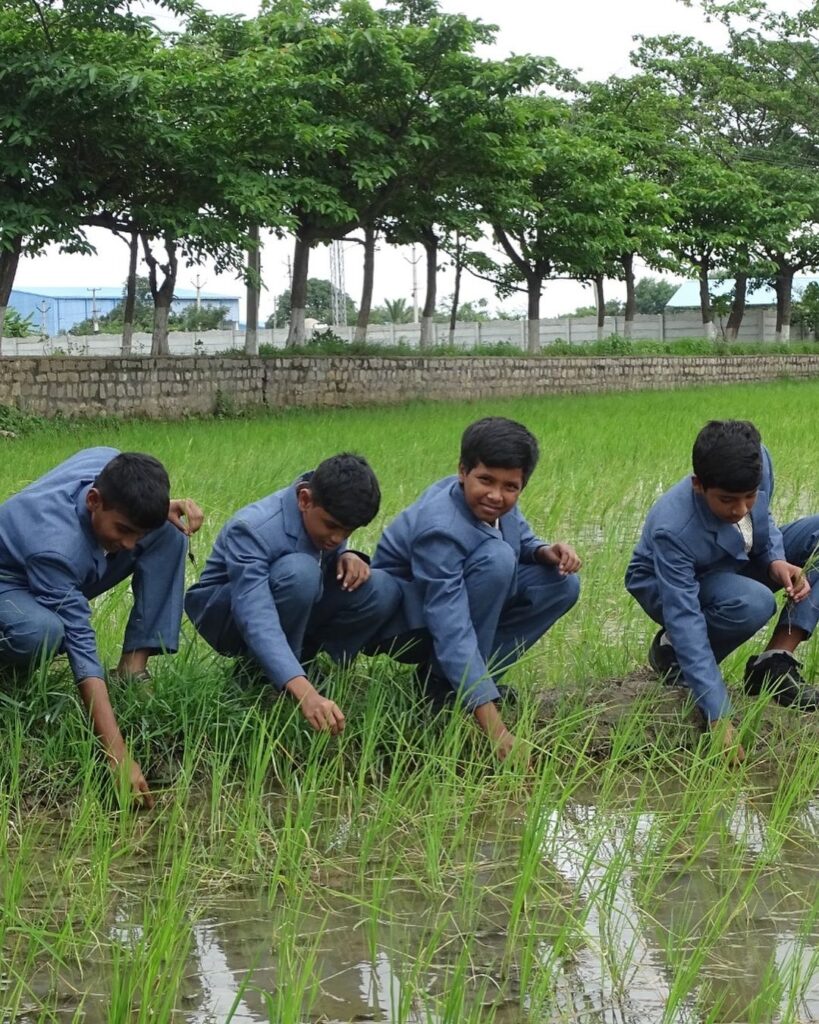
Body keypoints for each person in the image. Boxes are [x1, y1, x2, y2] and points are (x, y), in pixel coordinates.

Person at [369, 416, 582, 762]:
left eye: (510, 487)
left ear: (521, 485)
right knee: (497, 560)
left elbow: (520, 537)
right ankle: (442, 688)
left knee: (561, 583)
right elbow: (449, 624)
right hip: (407, 624)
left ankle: (476, 682)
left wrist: (546, 552)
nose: (496, 495)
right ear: (462, 472)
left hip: (454, 605)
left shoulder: (492, 502)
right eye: (485, 480)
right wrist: (496, 732)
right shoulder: (440, 527)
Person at [0, 447, 203, 807]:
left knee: (169, 533)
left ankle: (132, 670)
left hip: (57, 563)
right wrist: (118, 754)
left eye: (135, 533)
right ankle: (10, 673)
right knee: (44, 631)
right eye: (124, 530)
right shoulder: (57, 547)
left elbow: (131, 511)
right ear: (93, 499)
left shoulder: (108, 464)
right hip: (10, 582)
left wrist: (156, 513)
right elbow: (82, 647)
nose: (129, 545)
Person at [626, 419, 819, 762]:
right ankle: (671, 653)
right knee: (753, 603)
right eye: (728, 500)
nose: (741, 508)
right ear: (698, 485)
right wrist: (719, 716)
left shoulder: (757, 461)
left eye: (749, 496)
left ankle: (774, 663)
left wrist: (775, 559)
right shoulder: (673, 528)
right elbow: (684, 615)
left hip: (736, 556)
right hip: (679, 580)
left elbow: (763, 520)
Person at [185, 453, 401, 734]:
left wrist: (347, 554)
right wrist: (306, 695)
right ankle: (260, 675)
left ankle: (304, 662)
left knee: (382, 587)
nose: (337, 537)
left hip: (295, 596)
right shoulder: (253, 528)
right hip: (230, 614)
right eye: (332, 526)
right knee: (299, 573)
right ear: (304, 500)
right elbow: (255, 613)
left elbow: (329, 543)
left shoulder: (326, 508)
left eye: (347, 530)